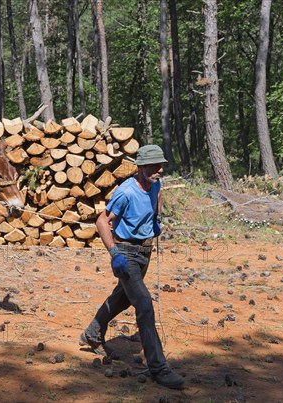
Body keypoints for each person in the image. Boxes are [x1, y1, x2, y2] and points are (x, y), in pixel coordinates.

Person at [79, 144, 185, 390]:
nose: (159, 170)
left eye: (161, 166)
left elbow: (157, 196)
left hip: (144, 252)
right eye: (154, 166)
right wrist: (114, 253)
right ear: (140, 168)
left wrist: (155, 219)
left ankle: (93, 332)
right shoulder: (125, 192)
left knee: (125, 297)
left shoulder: (156, 183)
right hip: (126, 253)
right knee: (144, 304)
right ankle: (159, 368)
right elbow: (102, 221)